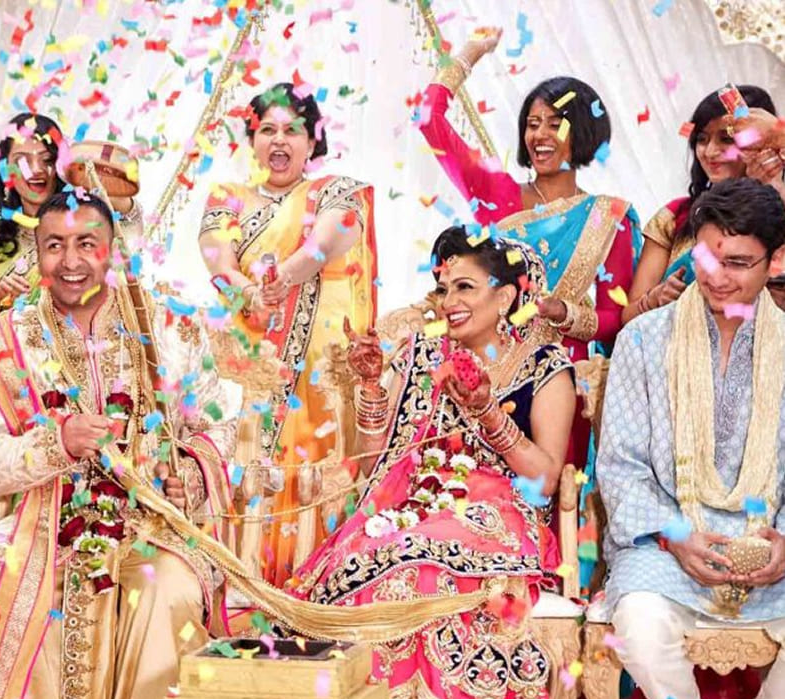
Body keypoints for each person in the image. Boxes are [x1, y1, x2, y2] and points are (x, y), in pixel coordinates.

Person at [0, 190, 239, 699]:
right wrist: (59, 443)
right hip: (40, 517)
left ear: (112, 251)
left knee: (169, 590)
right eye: (55, 246)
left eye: (87, 244)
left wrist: (190, 470)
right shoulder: (5, 340)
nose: (71, 261)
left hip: (148, 520)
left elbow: (220, 423)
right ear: (36, 253)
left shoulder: (168, 327)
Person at [294, 226, 586, 699]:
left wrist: (486, 411)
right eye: (444, 288)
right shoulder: (422, 356)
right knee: (371, 566)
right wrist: (372, 387)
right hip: (414, 502)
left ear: (506, 297)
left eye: (465, 288)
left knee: (422, 571)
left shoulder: (545, 366)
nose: (449, 301)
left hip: (502, 511)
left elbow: (544, 477)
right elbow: (377, 457)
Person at [599, 178, 785, 699]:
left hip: (769, 546)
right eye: (707, 257)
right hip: (667, 540)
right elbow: (620, 464)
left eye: (739, 263)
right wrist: (677, 537)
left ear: (775, 261)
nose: (718, 277)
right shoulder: (643, 340)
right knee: (640, 625)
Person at [419, 28, 641, 467]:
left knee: (547, 492)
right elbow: (429, 118)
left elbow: (615, 319)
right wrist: (471, 52)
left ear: (584, 132)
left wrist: (565, 313)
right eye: (532, 124)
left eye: (555, 124)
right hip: (482, 369)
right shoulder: (497, 193)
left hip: (557, 380)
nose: (540, 135)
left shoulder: (608, 217)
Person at [198, 81, 378, 586]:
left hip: (320, 372)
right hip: (254, 366)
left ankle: (322, 583)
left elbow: (327, 242)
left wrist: (280, 281)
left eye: (292, 131)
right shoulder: (227, 197)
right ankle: (244, 584)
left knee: (319, 473)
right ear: (251, 139)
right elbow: (218, 260)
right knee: (252, 464)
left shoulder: (336, 191)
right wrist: (251, 295)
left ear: (312, 140)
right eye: (267, 130)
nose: (279, 141)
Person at [0, 114, 141, 326]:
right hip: (19, 345)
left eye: (47, 160)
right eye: (22, 161)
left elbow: (129, 216)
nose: (36, 170)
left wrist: (79, 173)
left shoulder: (85, 215)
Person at [624, 86, 780, 323]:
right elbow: (627, 316)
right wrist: (655, 298)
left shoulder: (779, 217)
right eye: (702, 139)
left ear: (761, 143)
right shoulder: (675, 216)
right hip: (672, 342)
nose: (710, 152)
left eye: (726, 139)